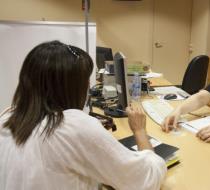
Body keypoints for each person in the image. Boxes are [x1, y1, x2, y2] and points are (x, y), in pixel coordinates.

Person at [0, 41, 166, 190]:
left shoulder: (7, 117)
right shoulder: (72, 126)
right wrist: (139, 131)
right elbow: (144, 180)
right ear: (71, 87)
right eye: (86, 81)